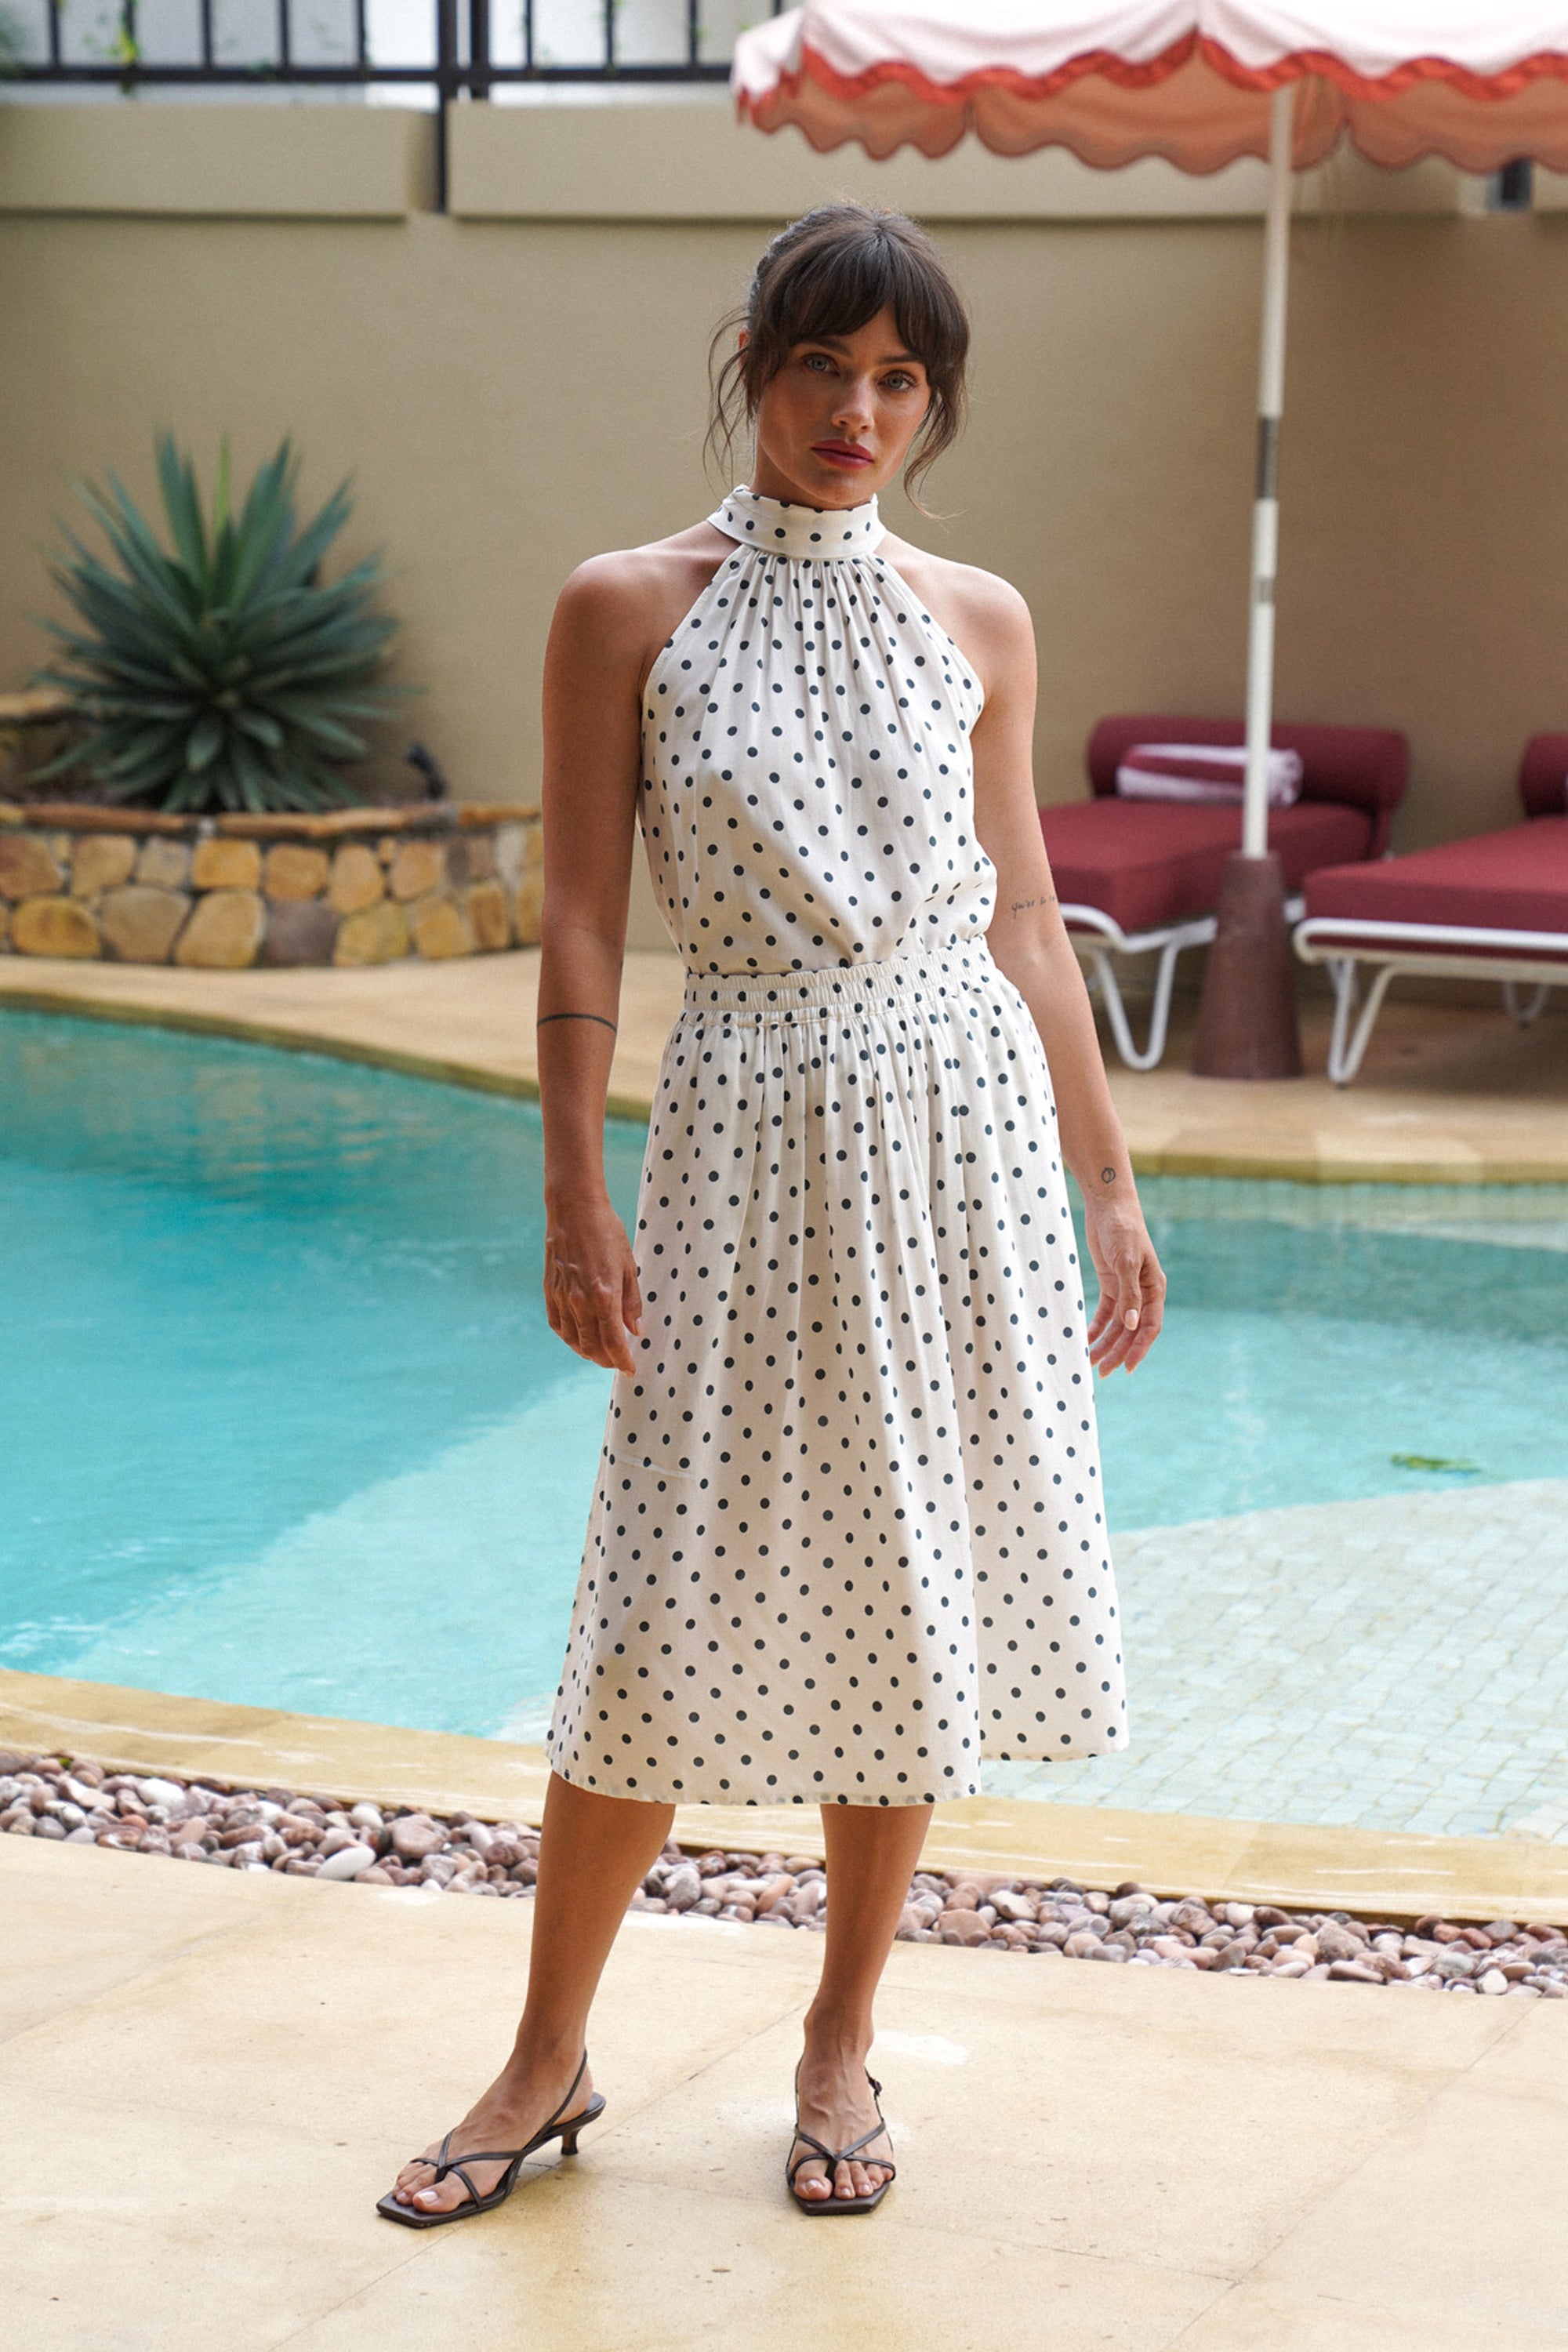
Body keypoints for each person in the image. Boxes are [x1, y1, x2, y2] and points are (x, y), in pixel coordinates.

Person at [380, 200, 1164, 2230]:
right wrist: (569, 1175)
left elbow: (1023, 916)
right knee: (657, 1607)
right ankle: (546, 2059)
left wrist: (1114, 1181)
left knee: (906, 1589)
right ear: (758, 365)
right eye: (827, 367)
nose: (861, 411)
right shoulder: (625, 606)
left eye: (903, 379)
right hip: (741, 1123)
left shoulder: (978, 618)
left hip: (955, 1132)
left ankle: (838, 2043)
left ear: (937, 400)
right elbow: (577, 910)